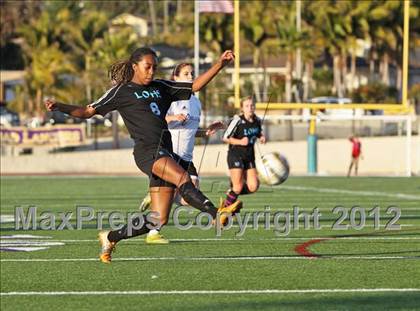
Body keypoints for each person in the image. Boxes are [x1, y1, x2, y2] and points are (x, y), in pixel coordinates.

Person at [44, 47, 241, 263]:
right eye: (148, 67)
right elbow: (87, 111)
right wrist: (60, 106)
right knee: (183, 179)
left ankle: (110, 237)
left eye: (154, 68)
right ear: (134, 66)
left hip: (165, 152)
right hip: (148, 152)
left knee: (158, 219)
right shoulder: (121, 91)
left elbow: (194, 86)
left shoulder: (161, 86)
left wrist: (220, 64)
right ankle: (216, 213)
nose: (151, 72)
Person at [139, 62, 224, 211]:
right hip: (172, 155)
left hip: (187, 157)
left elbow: (190, 131)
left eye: (192, 73)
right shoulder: (170, 99)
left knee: (187, 198)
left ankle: (157, 195)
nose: (190, 76)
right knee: (189, 192)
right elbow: (155, 120)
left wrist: (206, 132)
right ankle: (158, 199)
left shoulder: (196, 102)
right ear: (175, 77)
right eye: (186, 74)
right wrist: (172, 117)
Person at [222, 96, 266, 209]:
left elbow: (257, 133)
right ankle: (224, 211)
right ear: (242, 108)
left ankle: (232, 193)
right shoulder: (237, 120)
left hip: (249, 156)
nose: (250, 108)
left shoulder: (257, 120)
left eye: (252, 105)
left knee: (253, 186)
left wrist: (261, 137)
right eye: (247, 106)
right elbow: (225, 137)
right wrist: (240, 141)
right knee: (238, 187)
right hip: (235, 155)